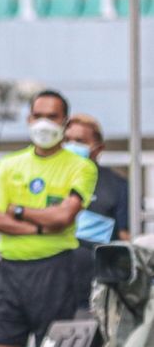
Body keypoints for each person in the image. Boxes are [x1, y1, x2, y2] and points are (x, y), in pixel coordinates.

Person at [0, 90, 98, 347]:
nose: (44, 123)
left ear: (65, 121)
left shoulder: (80, 167)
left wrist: (16, 210)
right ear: (29, 119)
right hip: (10, 273)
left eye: (52, 116)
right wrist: (39, 226)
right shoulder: (9, 165)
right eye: (38, 116)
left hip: (55, 272)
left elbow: (64, 218)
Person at [63, 114, 129, 309]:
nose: (71, 145)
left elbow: (126, 236)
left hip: (94, 289)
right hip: (52, 281)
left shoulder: (117, 185)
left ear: (98, 148)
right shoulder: (50, 178)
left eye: (80, 141)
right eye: (67, 140)